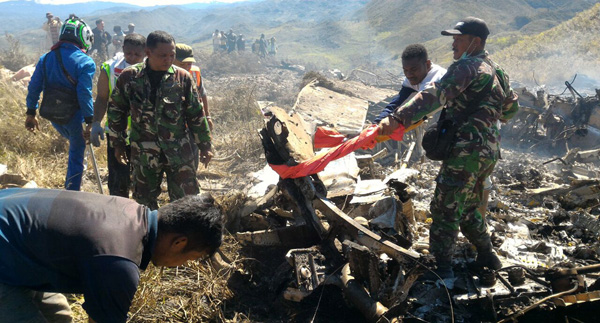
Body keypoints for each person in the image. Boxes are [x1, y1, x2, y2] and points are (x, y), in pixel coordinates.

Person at [380, 17, 519, 279]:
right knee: (466, 207)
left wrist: (398, 118)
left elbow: (435, 94)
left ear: (475, 42)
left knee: (445, 208)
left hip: (465, 152)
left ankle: (442, 269)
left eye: (458, 38)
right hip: (488, 152)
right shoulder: (498, 71)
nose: (453, 43)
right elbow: (511, 109)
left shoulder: (467, 66)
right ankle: (487, 255)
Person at [0, 187, 223, 323]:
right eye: (189, 259)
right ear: (179, 242)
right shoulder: (119, 262)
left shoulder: (130, 210)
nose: (180, 266)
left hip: (14, 237)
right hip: (6, 250)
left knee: (60, 318)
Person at [108, 30, 213, 210]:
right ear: (148, 53)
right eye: (163, 55)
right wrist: (117, 143)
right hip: (144, 154)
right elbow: (116, 111)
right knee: (144, 203)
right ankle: (151, 236)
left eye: (172, 55)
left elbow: (196, 114)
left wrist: (205, 145)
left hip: (179, 153)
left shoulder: (182, 78)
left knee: (186, 203)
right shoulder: (130, 77)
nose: (168, 60)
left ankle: (181, 236)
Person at [25, 17, 96, 191]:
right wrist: (90, 121)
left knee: (74, 147)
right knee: (76, 157)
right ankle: (72, 192)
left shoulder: (46, 58)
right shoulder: (85, 62)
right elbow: (84, 94)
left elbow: (34, 86)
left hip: (53, 115)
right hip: (75, 117)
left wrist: (30, 113)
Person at [87, 33, 146, 198]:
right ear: (123, 50)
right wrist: (96, 122)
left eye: (137, 54)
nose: (132, 58)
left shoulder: (151, 69)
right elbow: (102, 97)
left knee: (143, 181)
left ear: (145, 53)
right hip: (117, 132)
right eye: (129, 53)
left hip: (143, 133)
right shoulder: (110, 68)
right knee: (118, 181)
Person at [374, 44, 446, 124]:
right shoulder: (414, 78)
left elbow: (420, 110)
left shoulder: (436, 81)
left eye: (413, 69)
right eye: (405, 70)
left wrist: (393, 121)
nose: (409, 75)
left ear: (427, 64)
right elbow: (396, 103)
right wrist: (376, 123)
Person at [174, 43, 213, 130]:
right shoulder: (165, 73)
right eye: (182, 64)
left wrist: (208, 116)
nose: (186, 67)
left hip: (194, 118)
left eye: (189, 64)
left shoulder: (195, 72)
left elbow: (202, 93)